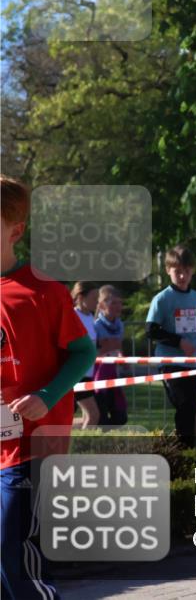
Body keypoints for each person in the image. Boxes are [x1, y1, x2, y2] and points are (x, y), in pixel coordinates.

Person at [1, 175, 96, 599]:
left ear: (15, 230)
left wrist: (46, 396)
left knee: (14, 552)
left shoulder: (44, 292)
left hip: (33, 446)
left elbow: (82, 354)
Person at [145, 245, 196, 448]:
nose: (182, 276)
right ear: (168, 270)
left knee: (191, 408)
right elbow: (151, 331)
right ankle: (184, 450)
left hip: (194, 363)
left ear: (192, 271)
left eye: (186, 271)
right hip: (171, 362)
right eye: (177, 271)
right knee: (185, 406)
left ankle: (186, 450)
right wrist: (179, 342)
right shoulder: (162, 299)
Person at [94, 284, 128, 425]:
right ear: (102, 305)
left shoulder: (120, 325)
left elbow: (117, 347)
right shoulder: (95, 326)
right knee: (100, 417)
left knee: (120, 416)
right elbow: (94, 352)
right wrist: (106, 348)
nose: (118, 306)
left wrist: (122, 358)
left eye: (120, 303)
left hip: (113, 374)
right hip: (97, 376)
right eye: (113, 303)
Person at [70, 282, 100, 428]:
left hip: (88, 373)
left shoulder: (90, 317)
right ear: (81, 297)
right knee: (93, 415)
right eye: (94, 298)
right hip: (76, 373)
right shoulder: (72, 316)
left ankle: (75, 445)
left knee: (85, 417)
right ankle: (84, 448)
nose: (97, 302)